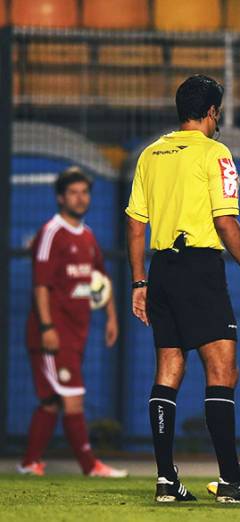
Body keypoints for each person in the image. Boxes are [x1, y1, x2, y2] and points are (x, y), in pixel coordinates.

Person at [126, 74, 240, 504]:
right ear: (212, 112)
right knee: (223, 370)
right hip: (199, 268)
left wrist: (140, 280)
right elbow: (225, 221)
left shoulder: (150, 154)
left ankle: (165, 480)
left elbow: (136, 225)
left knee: (168, 371)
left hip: (161, 270)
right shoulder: (216, 153)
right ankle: (232, 480)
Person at [18, 167, 125, 479]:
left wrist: (112, 317)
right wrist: (47, 328)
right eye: (74, 193)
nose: (80, 198)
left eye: (85, 192)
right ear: (60, 197)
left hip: (77, 333)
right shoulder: (51, 232)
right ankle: (90, 466)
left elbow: (100, 280)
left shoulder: (88, 236)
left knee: (52, 401)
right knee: (72, 398)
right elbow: (40, 285)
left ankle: (29, 463)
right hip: (54, 334)